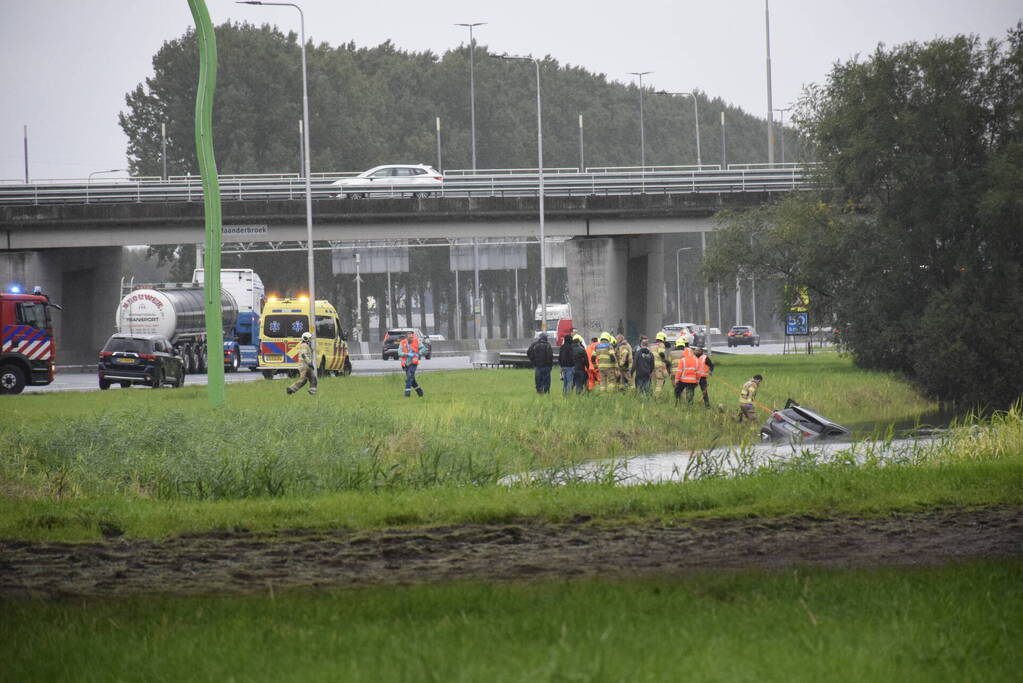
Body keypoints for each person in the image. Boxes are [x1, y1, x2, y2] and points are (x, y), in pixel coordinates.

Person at [286, 331, 317, 395]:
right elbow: (303, 354)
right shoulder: (304, 345)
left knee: (313, 378)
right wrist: (309, 362)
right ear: (306, 338)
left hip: (306, 365)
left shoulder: (306, 345)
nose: (311, 340)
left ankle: (312, 392)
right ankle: (291, 389)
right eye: (310, 338)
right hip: (304, 365)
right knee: (303, 380)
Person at [399, 330, 424, 398]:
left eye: (412, 337)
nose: (411, 338)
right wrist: (407, 354)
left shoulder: (416, 341)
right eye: (410, 337)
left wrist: (419, 353)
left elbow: (423, 348)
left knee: (409, 377)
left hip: (413, 362)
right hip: (405, 364)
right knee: (412, 380)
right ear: (406, 337)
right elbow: (399, 353)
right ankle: (420, 392)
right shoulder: (402, 342)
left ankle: (407, 394)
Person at [651, 332, 671, 396]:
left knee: (654, 381)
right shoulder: (661, 344)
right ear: (663, 338)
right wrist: (665, 360)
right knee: (660, 380)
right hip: (659, 366)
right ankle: (657, 396)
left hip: (651, 366)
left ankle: (653, 394)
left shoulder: (652, 345)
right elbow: (661, 353)